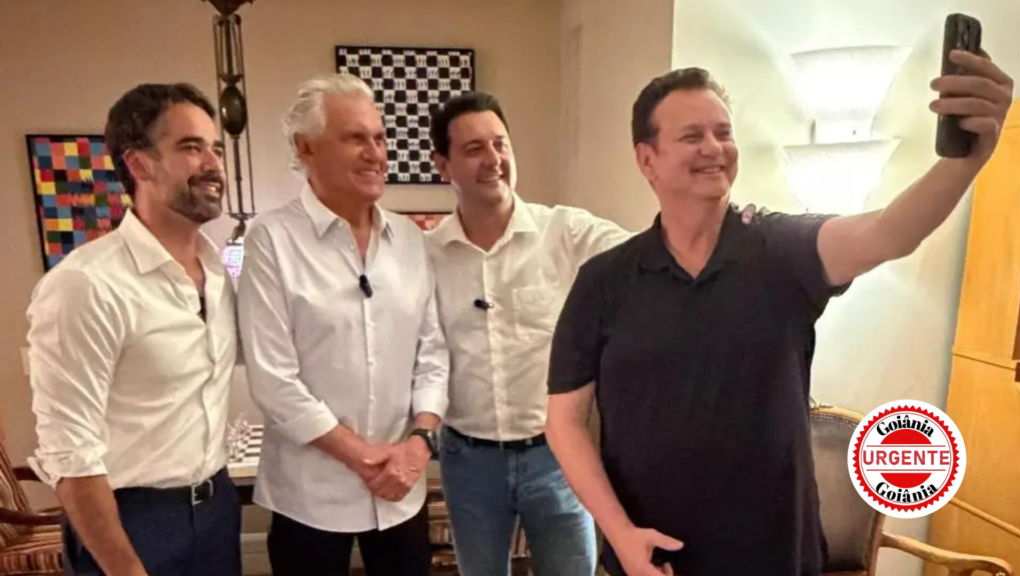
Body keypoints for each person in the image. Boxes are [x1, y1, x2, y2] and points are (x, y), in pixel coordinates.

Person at [545, 55, 1014, 576]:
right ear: (647, 159)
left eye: (724, 132)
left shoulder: (783, 250)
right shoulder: (604, 281)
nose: (714, 147)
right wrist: (619, 533)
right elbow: (565, 421)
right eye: (692, 136)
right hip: (654, 560)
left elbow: (888, 233)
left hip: (775, 556)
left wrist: (963, 161)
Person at [424, 91, 758, 576]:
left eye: (500, 144)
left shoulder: (566, 231)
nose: (493, 159)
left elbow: (655, 255)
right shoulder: (427, 255)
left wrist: (730, 228)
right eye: (474, 149)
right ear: (443, 165)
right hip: (469, 461)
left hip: (554, 458)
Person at [236, 73, 449, 576]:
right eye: (355, 138)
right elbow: (273, 379)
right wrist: (365, 457)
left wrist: (419, 443)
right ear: (305, 147)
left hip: (402, 491)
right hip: (309, 497)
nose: (375, 154)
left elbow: (433, 353)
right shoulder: (271, 239)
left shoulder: (410, 239)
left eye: (379, 138)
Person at [26, 83, 241, 576]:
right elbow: (70, 453)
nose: (213, 164)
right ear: (139, 164)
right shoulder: (86, 285)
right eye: (191, 147)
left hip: (217, 509)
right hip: (132, 522)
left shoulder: (220, 276)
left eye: (215, 148)